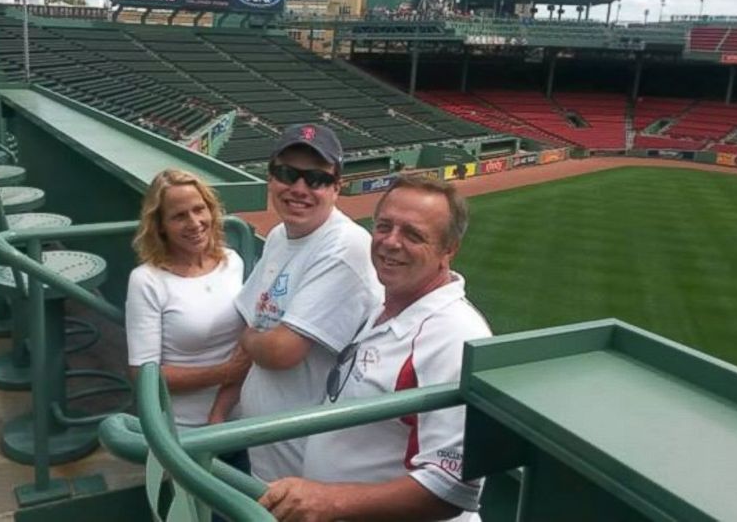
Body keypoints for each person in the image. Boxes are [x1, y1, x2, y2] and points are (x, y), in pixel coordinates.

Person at [259, 175, 492, 522]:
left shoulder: (454, 336)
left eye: (413, 235)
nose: (390, 242)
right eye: (384, 227)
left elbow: (452, 486)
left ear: (449, 249)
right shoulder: (388, 307)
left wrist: (328, 500)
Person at [224, 124, 383, 482]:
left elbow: (280, 350)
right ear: (270, 178)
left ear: (336, 187)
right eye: (286, 174)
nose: (298, 189)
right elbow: (253, 317)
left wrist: (252, 339)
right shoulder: (282, 235)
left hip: (305, 469)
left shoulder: (345, 247)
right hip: (264, 448)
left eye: (315, 179)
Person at [125, 169, 251, 429]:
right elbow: (144, 375)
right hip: (183, 429)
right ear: (160, 225)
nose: (194, 223)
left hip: (243, 419)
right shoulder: (146, 280)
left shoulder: (232, 262)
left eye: (198, 209)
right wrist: (225, 372)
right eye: (179, 216)